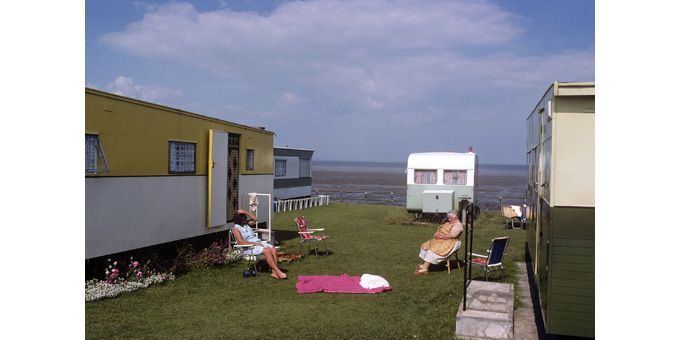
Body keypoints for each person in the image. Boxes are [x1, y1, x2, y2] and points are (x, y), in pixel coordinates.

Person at [231, 209, 287, 279]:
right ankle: (278, 271)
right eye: (244, 218)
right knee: (267, 251)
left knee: (273, 249)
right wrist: (255, 244)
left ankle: (274, 272)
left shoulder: (246, 225)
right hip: (248, 247)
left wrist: (245, 212)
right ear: (239, 220)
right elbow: (240, 242)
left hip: (258, 243)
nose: (246, 219)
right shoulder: (236, 229)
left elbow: (256, 219)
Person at [415, 210, 463, 276]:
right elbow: (442, 230)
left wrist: (441, 236)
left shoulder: (458, 225)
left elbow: (452, 235)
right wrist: (437, 234)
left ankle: (424, 269)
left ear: (456, 218)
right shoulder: (449, 222)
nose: (449, 219)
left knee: (432, 250)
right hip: (443, 239)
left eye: (450, 218)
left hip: (451, 241)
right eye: (448, 218)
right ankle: (425, 264)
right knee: (426, 245)